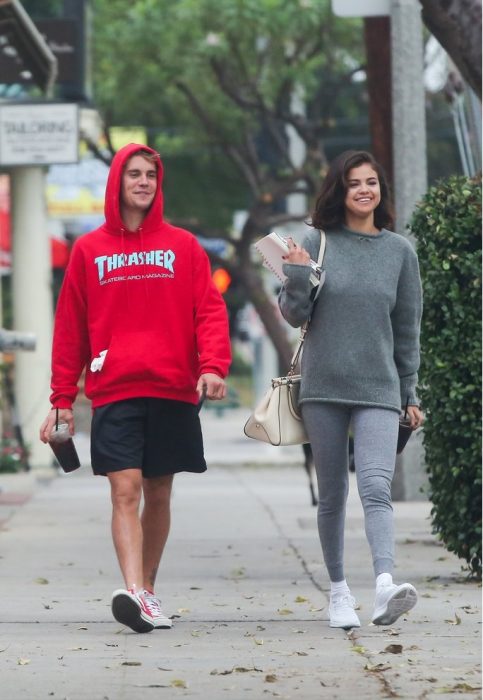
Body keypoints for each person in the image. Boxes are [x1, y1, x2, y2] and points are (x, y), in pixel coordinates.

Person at [40, 143, 231, 633]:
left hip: (172, 389)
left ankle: (146, 589)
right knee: (124, 490)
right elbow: (71, 329)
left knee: (159, 492)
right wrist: (61, 398)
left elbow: (208, 311)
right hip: (115, 389)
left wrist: (213, 366)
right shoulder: (88, 249)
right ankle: (135, 592)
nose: (143, 182)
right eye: (134, 175)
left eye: (150, 174)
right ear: (117, 184)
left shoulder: (184, 246)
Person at [279, 150, 423, 629]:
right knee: (334, 493)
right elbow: (295, 315)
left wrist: (410, 392)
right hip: (323, 388)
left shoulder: (399, 252)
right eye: (354, 183)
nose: (365, 189)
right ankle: (339, 592)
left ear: (381, 190)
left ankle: (384, 586)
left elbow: (407, 330)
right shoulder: (315, 242)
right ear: (339, 191)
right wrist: (297, 272)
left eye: (372, 182)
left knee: (376, 485)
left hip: (379, 387)